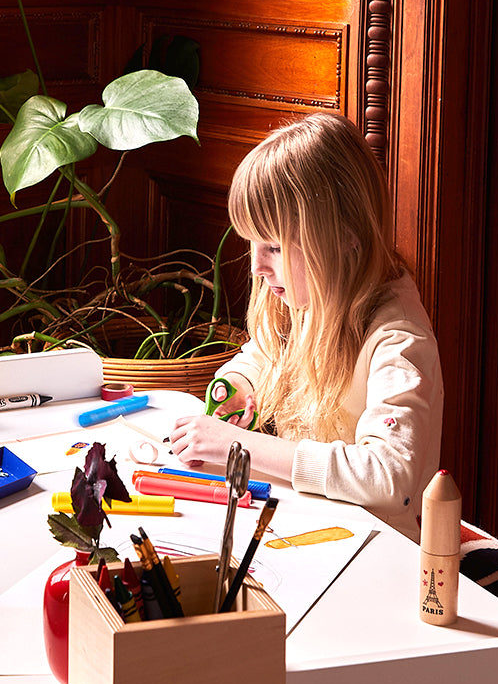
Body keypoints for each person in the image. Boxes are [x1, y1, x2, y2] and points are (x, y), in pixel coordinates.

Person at [168, 112, 444, 542]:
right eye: (253, 244)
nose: (258, 267)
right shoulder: (313, 292)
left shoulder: (400, 341)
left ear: (344, 238)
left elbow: (388, 478)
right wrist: (240, 383)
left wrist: (240, 446)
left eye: (274, 247)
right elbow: (263, 353)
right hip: (311, 526)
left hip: (376, 551)